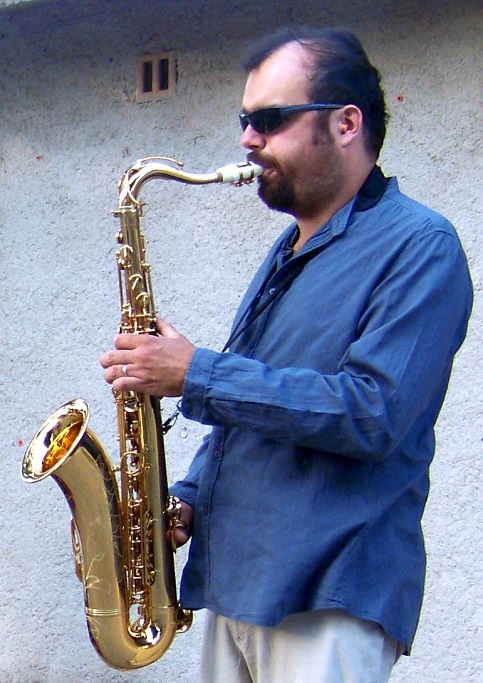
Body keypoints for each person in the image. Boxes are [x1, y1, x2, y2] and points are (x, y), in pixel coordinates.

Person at [100, 26, 473, 683]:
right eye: (246, 120)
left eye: (269, 120)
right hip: (238, 585)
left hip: (327, 592)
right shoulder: (287, 253)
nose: (247, 139)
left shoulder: (420, 246)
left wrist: (195, 371)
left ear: (346, 123)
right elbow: (251, 410)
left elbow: (373, 411)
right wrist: (187, 497)